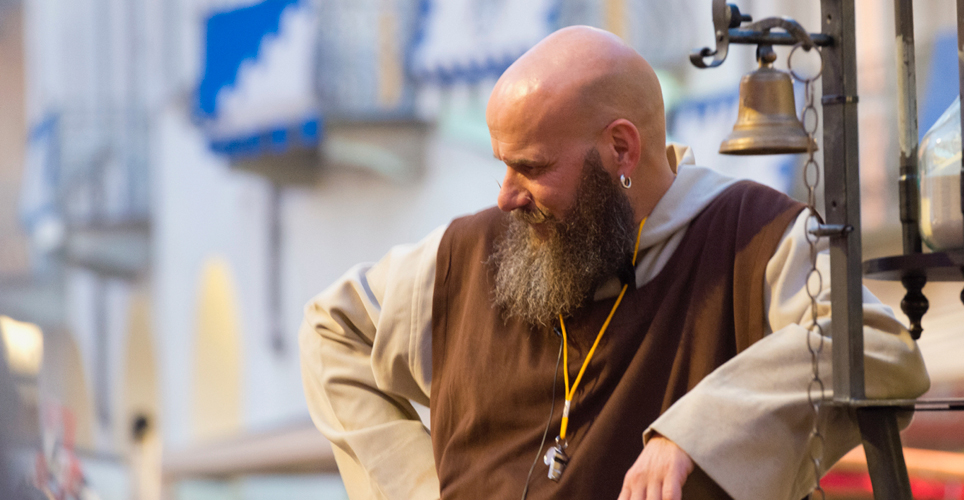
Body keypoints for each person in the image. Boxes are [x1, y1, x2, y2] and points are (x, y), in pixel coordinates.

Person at [300, 26, 928, 500]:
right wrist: (417, 488)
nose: (507, 196)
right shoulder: (466, 254)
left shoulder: (754, 239)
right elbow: (332, 329)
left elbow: (876, 346)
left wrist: (697, 431)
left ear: (621, 149)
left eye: (532, 166)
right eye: (504, 165)